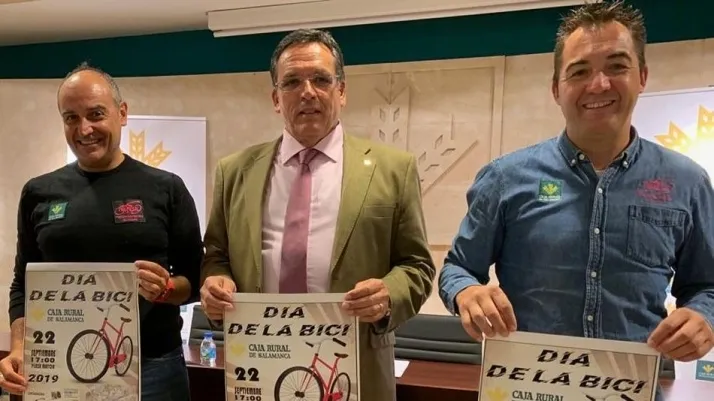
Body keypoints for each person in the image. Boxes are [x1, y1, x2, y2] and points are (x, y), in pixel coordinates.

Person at [439, 0, 714, 397]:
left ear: (642, 76)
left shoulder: (687, 182)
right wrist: (466, 292)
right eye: (580, 71)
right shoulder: (505, 178)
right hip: (526, 390)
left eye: (616, 66)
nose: (598, 84)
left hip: (631, 390)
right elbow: (458, 269)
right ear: (557, 89)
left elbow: (707, 285)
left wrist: (703, 315)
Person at [199, 28, 435, 401]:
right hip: (259, 366)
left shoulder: (394, 169)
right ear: (276, 98)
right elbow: (216, 255)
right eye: (292, 82)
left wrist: (388, 294)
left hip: (355, 371)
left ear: (341, 91)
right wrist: (216, 283)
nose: (307, 92)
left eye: (321, 80)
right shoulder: (235, 171)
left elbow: (417, 266)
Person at [0, 63, 204, 400]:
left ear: (122, 113)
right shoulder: (38, 192)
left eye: (96, 114)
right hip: (62, 366)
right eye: (71, 118)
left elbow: (194, 280)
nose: (84, 129)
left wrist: (165, 289)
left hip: (153, 369)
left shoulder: (167, 188)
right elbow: (23, 284)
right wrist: (20, 348)